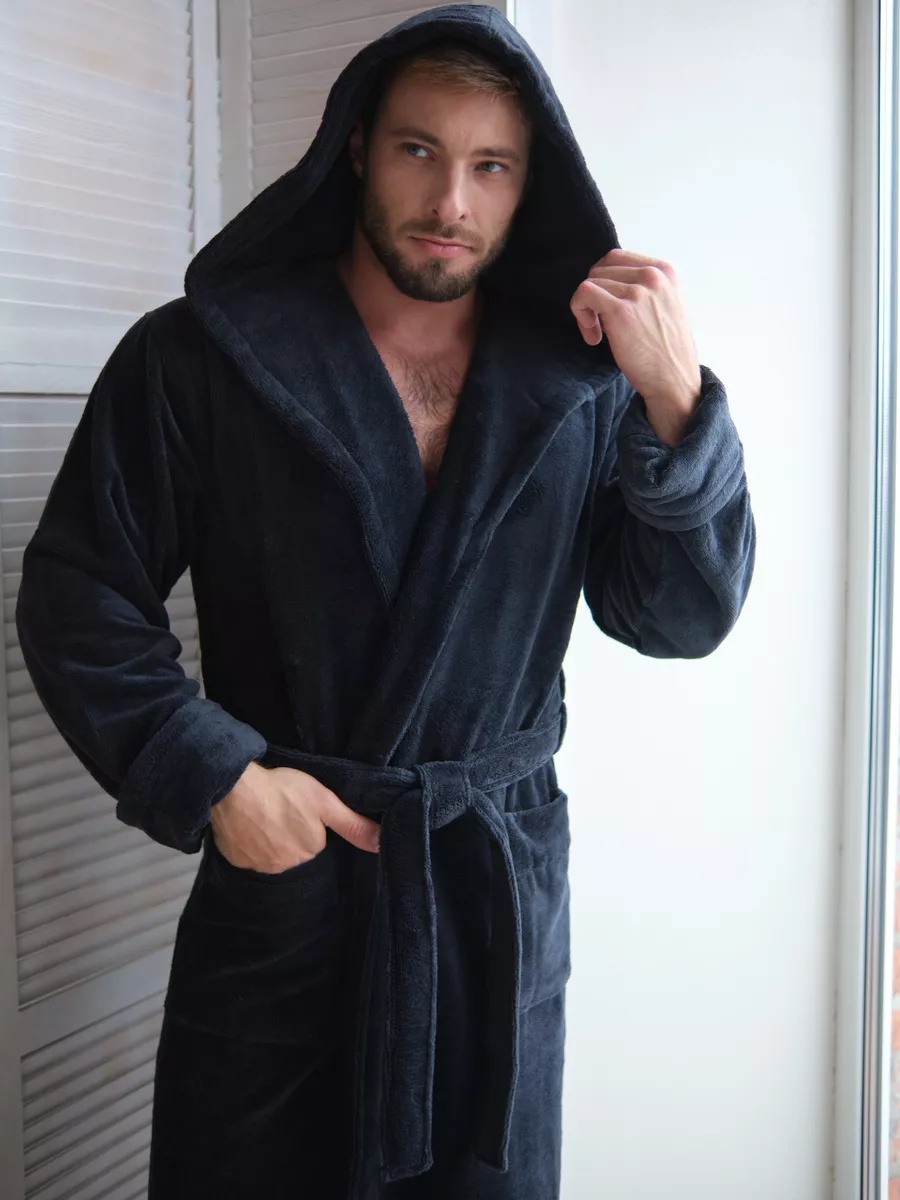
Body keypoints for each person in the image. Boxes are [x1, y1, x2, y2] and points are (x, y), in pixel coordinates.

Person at [14, 5, 756, 1199]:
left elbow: (679, 617)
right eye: (420, 150)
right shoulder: (200, 358)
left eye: (491, 166)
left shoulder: (586, 385)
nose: (451, 201)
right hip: (291, 898)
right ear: (357, 146)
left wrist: (676, 404)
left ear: (529, 183)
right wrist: (216, 780)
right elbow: (78, 591)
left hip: (488, 910)